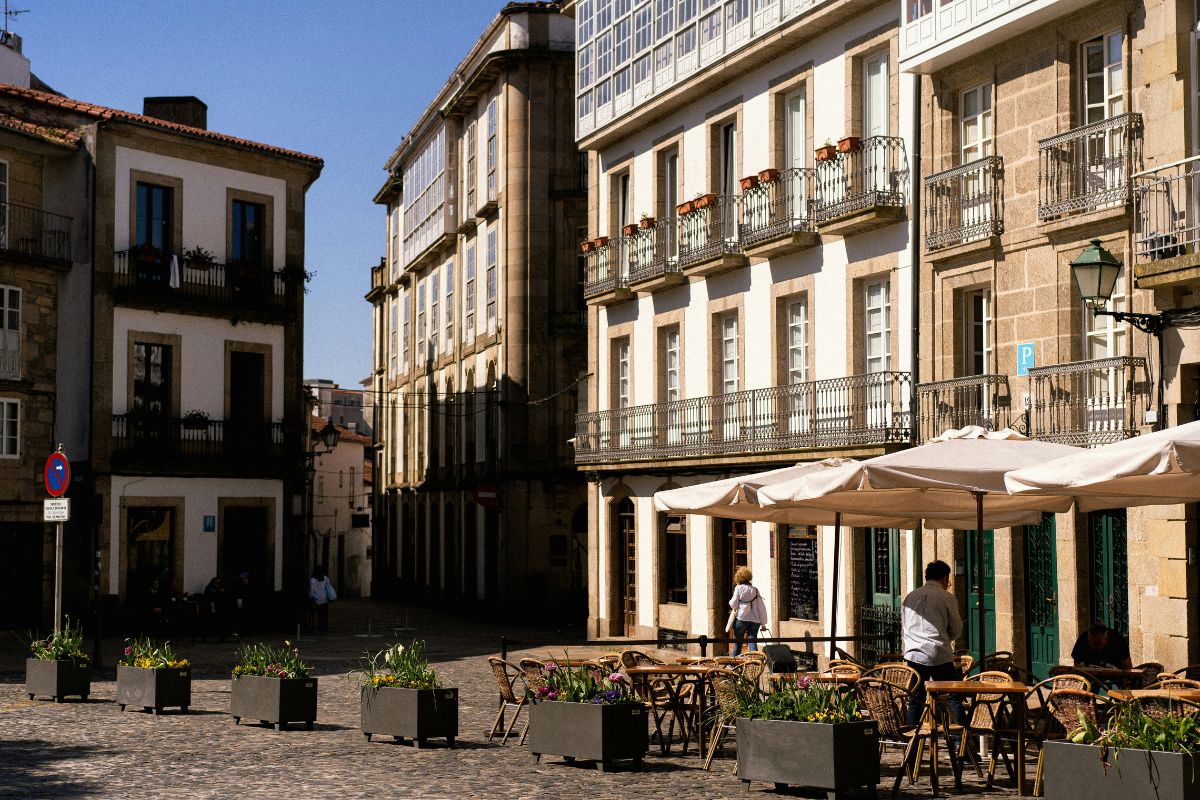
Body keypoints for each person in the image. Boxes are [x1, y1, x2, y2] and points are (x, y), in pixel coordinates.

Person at [902, 560, 964, 725]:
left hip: (914, 655)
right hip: (939, 654)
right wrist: (943, 638)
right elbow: (956, 629)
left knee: (915, 699)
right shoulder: (947, 597)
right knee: (954, 697)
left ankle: (912, 742)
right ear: (944, 579)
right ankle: (960, 741)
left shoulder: (910, 596)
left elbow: (905, 626)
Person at [728, 566, 769, 655]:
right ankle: (754, 663)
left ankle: (734, 664)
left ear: (738, 578)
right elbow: (761, 607)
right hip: (754, 620)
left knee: (738, 643)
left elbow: (733, 604)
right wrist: (763, 623)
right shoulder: (755, 590)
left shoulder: (738, 588)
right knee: (752, 641)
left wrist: (731, 602)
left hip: (741, 619)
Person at [309, 565, 334, 633]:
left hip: (317, 599)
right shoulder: (325, 578)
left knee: (319, 614)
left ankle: (320, 628)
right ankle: (325, 628)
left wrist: (311, 597)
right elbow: (328, 587)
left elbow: (312, 590)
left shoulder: (313, 580)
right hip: (324, 598)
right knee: (324, 614)